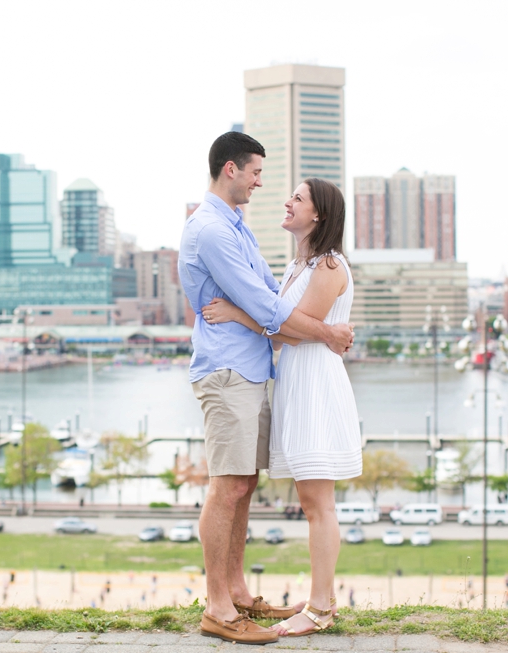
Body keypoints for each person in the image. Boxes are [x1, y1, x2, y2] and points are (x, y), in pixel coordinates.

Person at [180, 133, 354, 645]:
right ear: (231, 169)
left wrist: (285, 324)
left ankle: (236, 592)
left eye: (294, 195)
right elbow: (263, 303)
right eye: (257, 172)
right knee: (228, 486)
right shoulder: (212, 229)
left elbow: (264, 305)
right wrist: (327, 333)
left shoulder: (242, 230)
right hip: (231, 371)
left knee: (244, 486)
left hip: (257, 372)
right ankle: (218, 606)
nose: (264, 184)